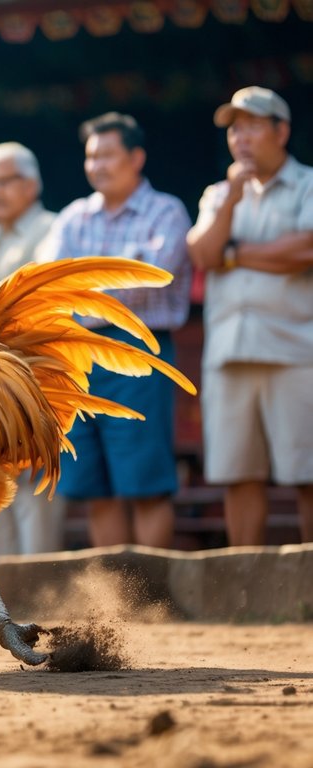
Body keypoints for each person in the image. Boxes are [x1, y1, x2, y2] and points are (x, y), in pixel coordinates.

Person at [39, 112, 193, 549]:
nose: (98, 165)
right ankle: (119, 600)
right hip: (79, 356)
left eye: (108, 155)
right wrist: (105, 287)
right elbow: (49, 283)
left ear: (136, 157)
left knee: (145, 480)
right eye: (91, 157)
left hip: (139, 351)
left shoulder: (166, 211)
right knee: (95, 486)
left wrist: (82, 288)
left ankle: (154, 598)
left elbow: (152, 276)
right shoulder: (72, 217)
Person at [185, 86, 313, 545]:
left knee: (308, 474)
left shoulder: (308, 184)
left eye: (253, 126)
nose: (241, 138)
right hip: (229, 352)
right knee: (237, 474)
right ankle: (247, 585)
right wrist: (231, 203)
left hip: (296, 350)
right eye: (235, 129)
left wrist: (234, 254)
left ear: (282, 131)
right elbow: (201, 252)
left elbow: (306, 248)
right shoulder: (219, 194)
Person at [0, 143, 67, 556]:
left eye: (3, 181)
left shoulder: (56, 230)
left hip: (37, 377)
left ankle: (41, 591)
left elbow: (48, 308)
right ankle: (4, 596)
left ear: (32, 183)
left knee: (36, 482)